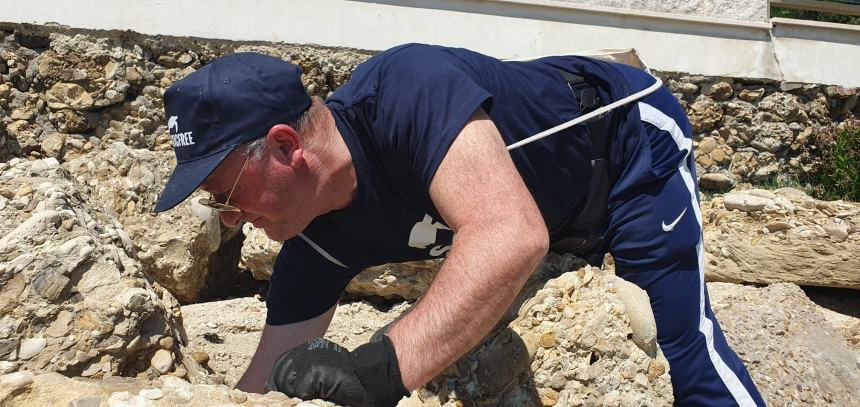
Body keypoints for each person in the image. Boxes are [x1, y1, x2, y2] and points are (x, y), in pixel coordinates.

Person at [153, 44, 766, 406]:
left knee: (682, 347)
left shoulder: (404, 94)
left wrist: (378, 372)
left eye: (225, 194)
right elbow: (265, 385)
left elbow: (510, 235)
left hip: (626, 147)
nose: (230, 219)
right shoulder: (314, 235)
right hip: (540, 199)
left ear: (286, 147)